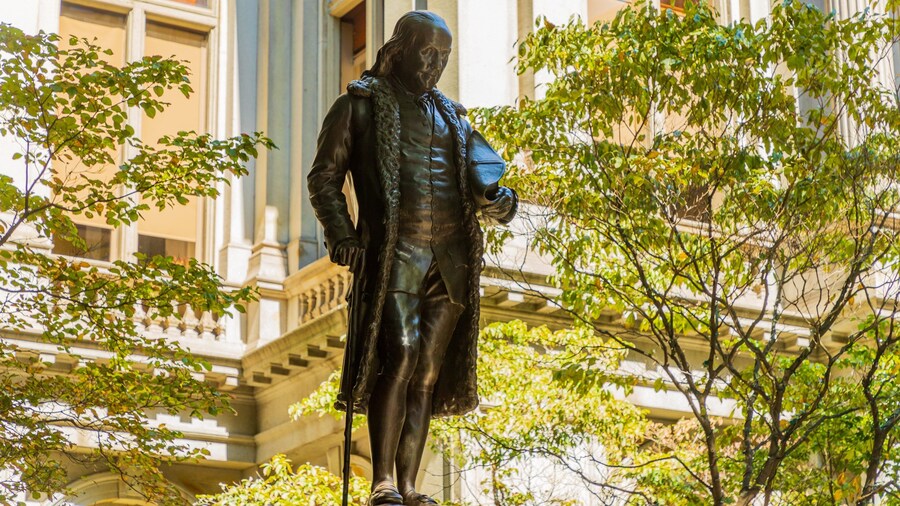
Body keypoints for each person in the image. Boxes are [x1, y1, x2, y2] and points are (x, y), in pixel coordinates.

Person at [307, 11, 516, 505]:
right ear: (400, 47)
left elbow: (484, 186)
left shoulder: (455, 118)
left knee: (426, 370)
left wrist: (501, 202)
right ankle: (382, 480)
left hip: (451, 260)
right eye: (427, 53)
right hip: (395, 252)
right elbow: (324, 179)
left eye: (443, 58)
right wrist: (342, 236)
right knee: (398, 355)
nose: (434, 65)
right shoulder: (358, 106)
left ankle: (408, 484)